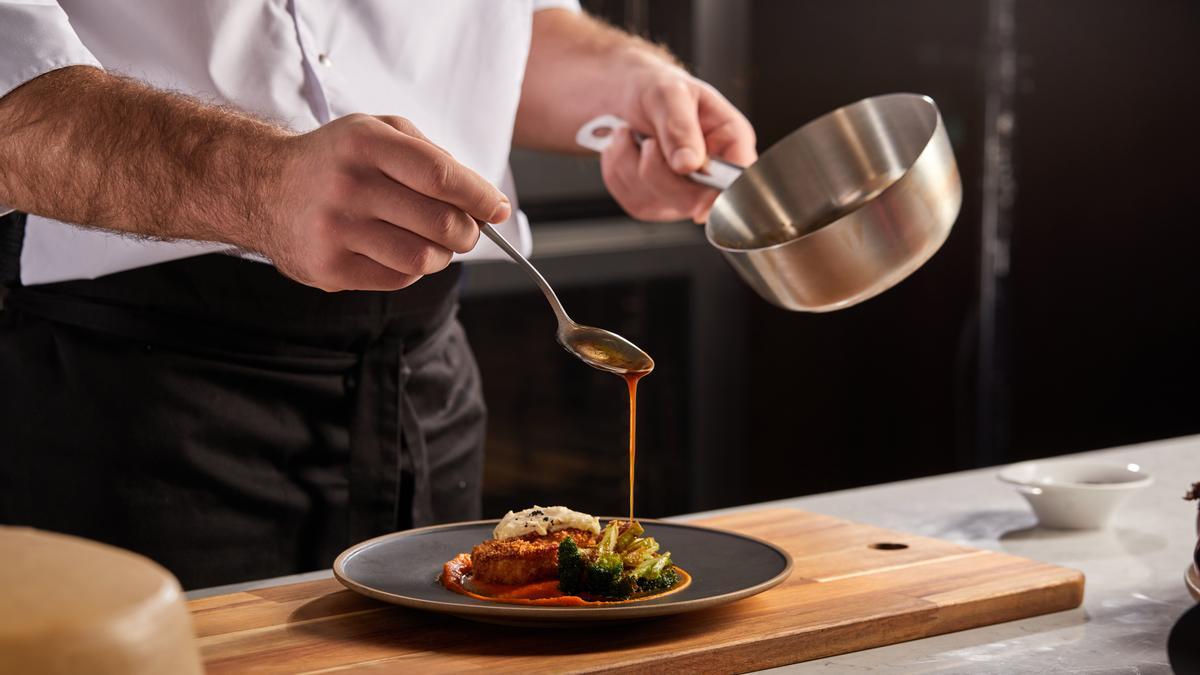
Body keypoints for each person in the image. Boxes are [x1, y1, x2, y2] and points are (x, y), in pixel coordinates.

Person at [0, 1, 756, 589]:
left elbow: (502, 33)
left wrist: (632, 86)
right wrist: (261, 184)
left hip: (428, 386)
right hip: (126, 400)